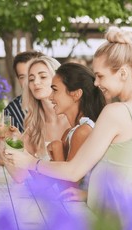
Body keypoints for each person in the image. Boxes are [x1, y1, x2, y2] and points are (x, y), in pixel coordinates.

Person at [4, 26, 132, 215]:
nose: (95, 83)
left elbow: (73, 171)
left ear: (123, 73)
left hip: (102, 226)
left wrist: (30, 161)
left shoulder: (115, 112)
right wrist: (88, 193)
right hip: (129, 228)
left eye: (100, 76)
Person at [0, 55, 70, 183]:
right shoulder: (33, 126)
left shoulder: (75, 120)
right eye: (31, 79)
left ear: (58, 79)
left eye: (43, 77)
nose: (35, 82)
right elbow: (20, 176)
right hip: (48, 198)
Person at [48, 62, 106, 201]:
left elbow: (68, 186)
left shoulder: (83, 131)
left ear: (76, 94)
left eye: (55, 90)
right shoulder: (70, 131)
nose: (50, 97)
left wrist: (56, 148)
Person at [4, 51, 44, 133]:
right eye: (22, 77)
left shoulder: (63, 104)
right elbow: (8, 144)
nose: (28, 81)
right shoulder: (10, 112)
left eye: (31, 75)